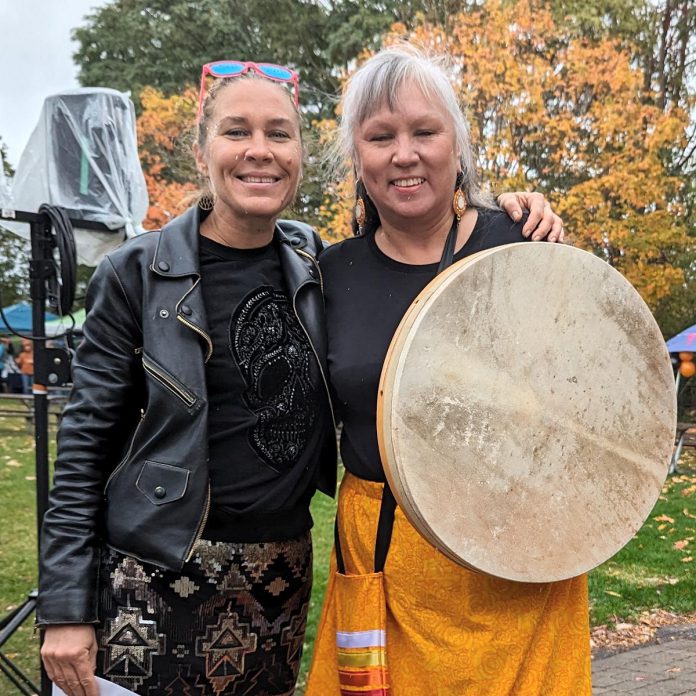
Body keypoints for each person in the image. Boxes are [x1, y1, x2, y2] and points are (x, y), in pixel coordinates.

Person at [37, 59, 561, 696]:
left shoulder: (312, 264)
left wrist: (512, 206)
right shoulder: (139, 273)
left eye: (279, 134)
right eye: (236, 131)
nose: (259, 151)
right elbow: (84, 447)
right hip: (156, 575)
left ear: (301, 155)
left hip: (280, 578)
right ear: (202, 149)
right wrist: (66, 606)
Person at [306, 45, 590, 695]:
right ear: (358, 156)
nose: (404, 154)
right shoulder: (328, 277)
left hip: (519, 568)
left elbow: (583, 395)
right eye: (381, 137)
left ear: (457, 146)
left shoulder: (522, 244)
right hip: (385, 564)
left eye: (425, 132)